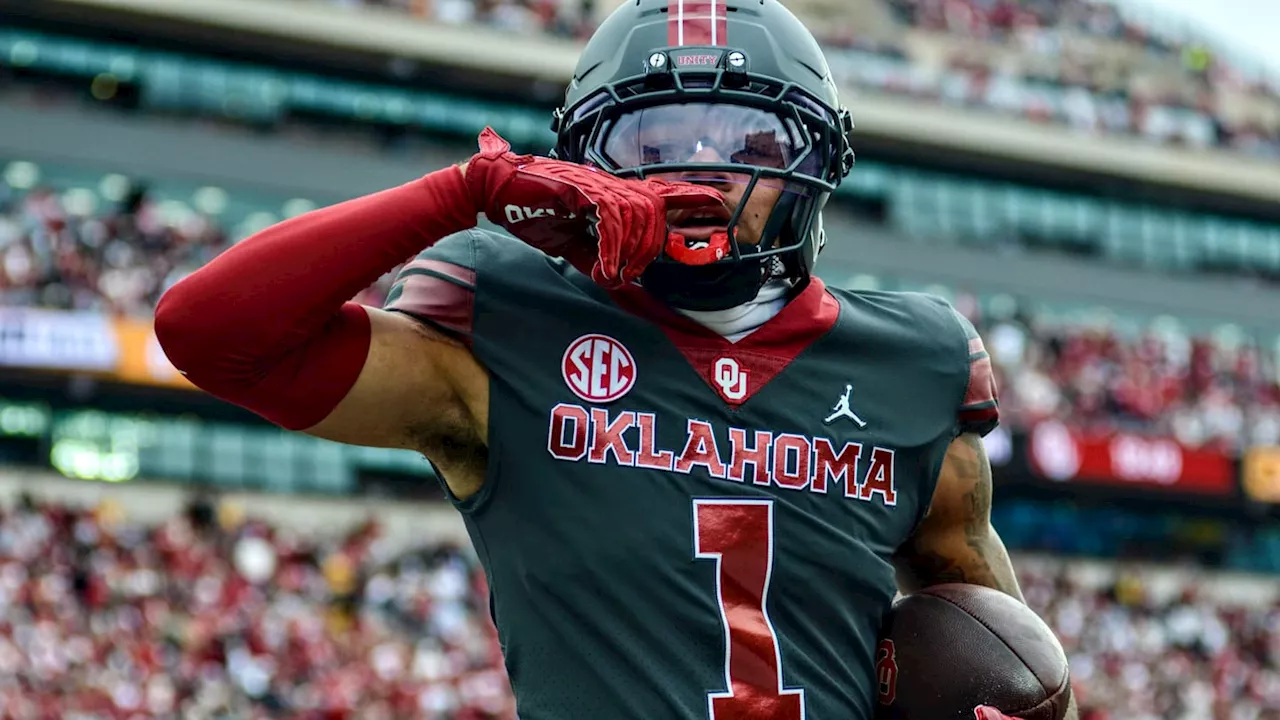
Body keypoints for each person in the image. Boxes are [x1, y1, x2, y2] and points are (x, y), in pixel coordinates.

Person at [155, 1, 1077, 718]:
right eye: (656, 142)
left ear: (815, 158)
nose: (702, 168)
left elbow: (1015, 664)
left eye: (746, 139)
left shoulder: (917, 362)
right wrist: (461, 192)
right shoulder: (509, 320)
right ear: (586, 165)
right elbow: (208, 334)